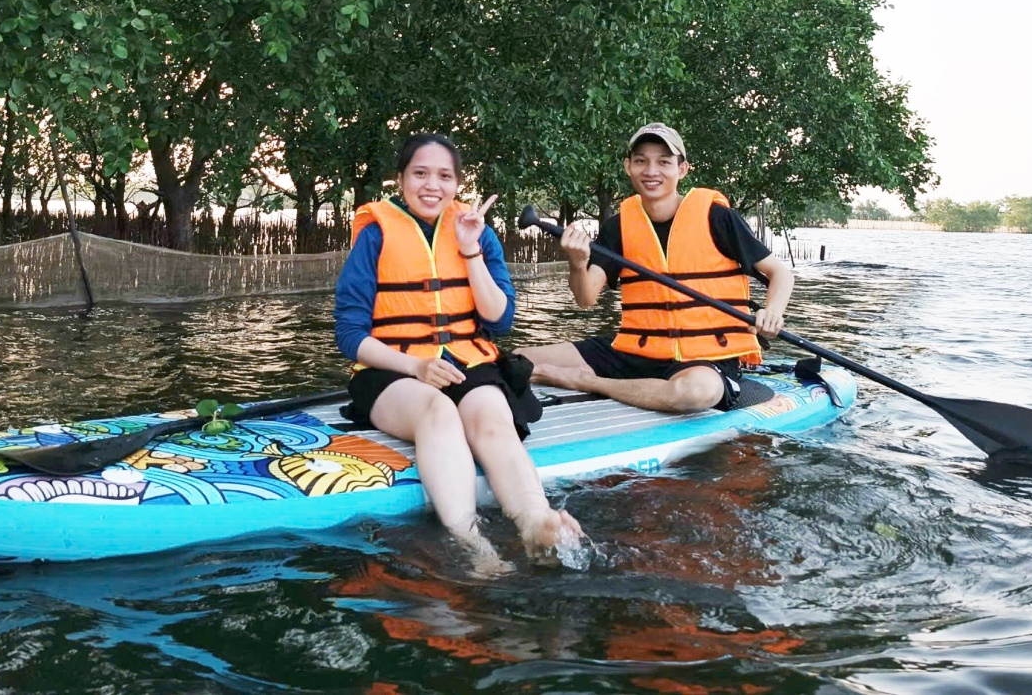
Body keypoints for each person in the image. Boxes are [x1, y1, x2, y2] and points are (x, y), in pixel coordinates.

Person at [335, 133, 582, 566]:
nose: (432, 185)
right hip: (393, 370)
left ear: (457, 184)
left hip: (468, 362)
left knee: (492, 420)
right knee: (439, 413)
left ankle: (535, 521)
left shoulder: (478, 234)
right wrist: (415, 366)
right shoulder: (375, 237)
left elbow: (500, 320)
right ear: (400, 180)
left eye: (444, 176)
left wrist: (470, 250)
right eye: (420, 174)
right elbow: (350, 336)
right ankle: (473, 545)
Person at [518, 123, 789, 413]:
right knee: (516, 359)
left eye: (663, 162)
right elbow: (586, 299)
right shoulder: (618, 227)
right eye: (641, 161)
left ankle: (589, 382)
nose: (651, 171)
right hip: (639, 350)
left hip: (706, 356)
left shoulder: (717, 217)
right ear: (628, 167)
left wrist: (772, 311)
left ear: (682, 169)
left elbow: (780, 273)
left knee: (696, 393)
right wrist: (577, 261)